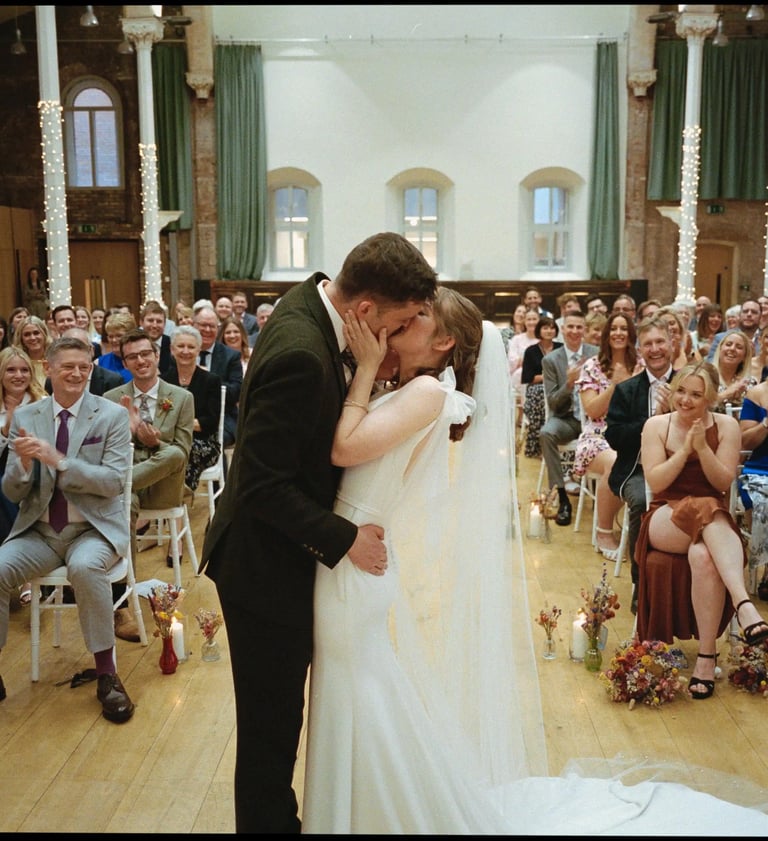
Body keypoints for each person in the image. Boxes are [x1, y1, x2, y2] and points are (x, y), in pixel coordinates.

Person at [302, 298, 768, 835]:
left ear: (444, 341)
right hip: (351, 559)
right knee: (361, 701)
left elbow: (343, 448)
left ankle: (375, 811)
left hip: (352, 566)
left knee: (360, 698)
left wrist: (363, 371)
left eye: (416, 318)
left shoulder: (426, 392)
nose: (400, 323)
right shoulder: (412, 390)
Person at [200, 231, 439, 833]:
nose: (408, 329)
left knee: (276, 722)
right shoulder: (303, 354)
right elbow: (258, 483)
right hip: (262, 567)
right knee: (270, 730)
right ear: (364, 312)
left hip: (278, 552)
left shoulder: (308, 301)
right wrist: (343, 538)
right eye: (405, 319)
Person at [0, 336, 134, 723]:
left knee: (86, 567)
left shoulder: (109, 416)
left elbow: (111, 482)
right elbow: (11, 490)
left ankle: (107, 674)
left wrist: (58, 460)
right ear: (49, 369)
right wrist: (24, 467)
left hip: (93, 529)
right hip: (39, 531)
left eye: (84, 366)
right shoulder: (27, 417)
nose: (77, 373)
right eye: (68, 367)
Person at [637, 362, 768, 699]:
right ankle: (744, 602)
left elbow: (722, 482)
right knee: (706, 507)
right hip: (664, 518)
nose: (686, 399)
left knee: (704, 555)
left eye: (696, 394)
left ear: (710, 397)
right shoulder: (656, 426)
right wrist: (685, 449)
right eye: (681, 390)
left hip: (711, 523)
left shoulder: (726, 425)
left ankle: (706, 660)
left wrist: (703, 448)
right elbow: (656, 481)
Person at [104, 329, 193, 572]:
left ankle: (119, 483)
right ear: (125, 363)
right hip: (128, 489)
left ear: (156, 356)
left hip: (163, 486)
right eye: (133, 357)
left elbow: (182, 452)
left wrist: (156, 443)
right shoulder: (111, 398)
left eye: (145, 354)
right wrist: (127, 431)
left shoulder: (182, 397)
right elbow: (105, 451)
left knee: (174, 453)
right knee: (126, 501)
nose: (140, 361)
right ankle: (124, 585)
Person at [605, 315, 675, 614]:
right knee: (642, 503)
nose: (655, 349)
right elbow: (615, 437)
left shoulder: (689, 382)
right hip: (637, 469)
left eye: (660, 342)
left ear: (672, 344)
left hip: (684, 468)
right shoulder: (627, 389)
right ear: (640, 350)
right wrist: (654, 421)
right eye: (648, 344)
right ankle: (642, 585)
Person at [574, 312, 642, 558]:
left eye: (624, 329)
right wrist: (617, 385)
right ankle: (604, 529)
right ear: (606, 334)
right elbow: (593, 410)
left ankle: (641, 530)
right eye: (614, 329)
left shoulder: (642, 366)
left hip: (634, 432)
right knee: (616, 461)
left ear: (631, 334)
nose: (619, 333)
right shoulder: (592, 366)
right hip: (598, 435)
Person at [0, 347, 48, 607]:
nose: (18, 375)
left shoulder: (41, 402)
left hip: (37, 471)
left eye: (24, 370)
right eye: (11, 369)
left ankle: (23, 572)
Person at [540, 311, 598, 524]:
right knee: (546, 433)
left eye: (579, 327)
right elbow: (553, 402)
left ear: (584, 330)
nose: (574, 331)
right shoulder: (551, 360)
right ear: (562, 330)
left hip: (594, 419)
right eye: (570, 327)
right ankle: (562, 496)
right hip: (566, 419)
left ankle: (604, 495)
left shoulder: (596, 353)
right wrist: (569, 383)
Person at [162, 325, 222, 493]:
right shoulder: (164, 380)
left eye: (191, 346)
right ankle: (170, 501)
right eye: (180, 346)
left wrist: (178, 425)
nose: (185, 351)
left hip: (203, 443)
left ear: (199, 350)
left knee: (181, 454)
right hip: (169, 443)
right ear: (172, 349)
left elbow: (209, 423)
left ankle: (176, 502)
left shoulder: (211, 381)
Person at [191, 305, 242, 447]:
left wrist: (208, 378)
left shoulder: (231, 356)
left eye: (212, 326)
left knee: (213, 440)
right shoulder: (183, 353)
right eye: (203, 325)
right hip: (188, 417)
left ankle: (221, 470)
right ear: (194, 325)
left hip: (222, 417)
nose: (207, 330)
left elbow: (236, 391)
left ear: (218, 329)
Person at [520, 315, 560, 459]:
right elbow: (528, 378)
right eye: (545, 327)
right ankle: (539, 446)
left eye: (552, 328)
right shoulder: (531, 351)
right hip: (537, 388)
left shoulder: (561, 348)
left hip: (558, 387)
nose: (549, 331)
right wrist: (548, 377)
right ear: (539, 330)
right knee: (540, 396)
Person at [45, 327, 124, 397]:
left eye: (81, 348)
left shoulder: (113, 380)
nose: (75, 353)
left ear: (92, 350)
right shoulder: (53, 380)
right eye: (69, 348)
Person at [711, 328, 756, 412]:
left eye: (739, 347)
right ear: (720, 349)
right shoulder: (705, 377)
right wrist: (725, 394)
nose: (732, 349)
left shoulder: (750, 383)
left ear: (744, 357)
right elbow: (697, 408)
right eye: (728, 344)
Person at [12, 315, 52, 389]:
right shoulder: (15, 363)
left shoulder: (55, 360)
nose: (32, 338)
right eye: (27, 334)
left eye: (36, 333)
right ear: (21, 339)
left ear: (44, 334)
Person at [96, 311, 136, 383]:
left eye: (119, 336)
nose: (114, 340)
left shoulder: (141, 360)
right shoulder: (99, 362)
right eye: (111, 336)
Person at [507, 308, 539, 394]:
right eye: (529, 319)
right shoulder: (516, 339)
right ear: (524, 321)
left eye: (534, 319)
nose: (531, 322)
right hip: (518, 380)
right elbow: (511, 359)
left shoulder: (544, 340)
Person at [139, 299, 173, 376]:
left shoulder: (172, 344)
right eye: (150, 320)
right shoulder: (134, 344)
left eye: (159, 321)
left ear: (164, 324)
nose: (154, 325)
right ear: (141, 322)